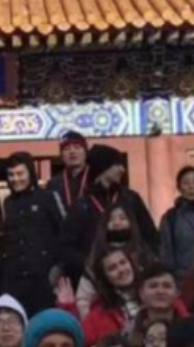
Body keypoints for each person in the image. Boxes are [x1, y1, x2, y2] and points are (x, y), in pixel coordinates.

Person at [59, 144, 161, 282]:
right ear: (103, 168)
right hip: (94, 281)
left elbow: (151, 236)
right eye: (117, 165)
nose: (122, 169)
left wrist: (143, 263)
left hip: (134, 277)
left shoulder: (131, 199)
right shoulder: (82, 205)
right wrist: (91, 268)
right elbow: (67, 247)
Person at [0, 151, 64, 315]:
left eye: (20, 174)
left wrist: (58, 267)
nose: (15, 179)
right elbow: (6, 242)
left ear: (30, 173)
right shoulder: (8, 203)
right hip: (14, 280)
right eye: (11, 175)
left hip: (43, 278)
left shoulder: (48, 197)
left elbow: (64, 234)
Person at [70, 202, 157, 317]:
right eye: (111, 220)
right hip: (111, 317)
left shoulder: (144, 252)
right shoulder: (96, 256)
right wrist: (92, 324)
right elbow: (83, 299)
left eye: (122, 218)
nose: (117, 223)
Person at [48, 130, 93, 219]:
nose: (72, 151)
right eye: (67, 149)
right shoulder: (54, 184)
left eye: (77, 147)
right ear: (61, 156)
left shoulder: (96, 178)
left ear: (86, 152)